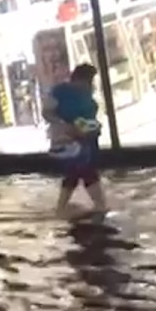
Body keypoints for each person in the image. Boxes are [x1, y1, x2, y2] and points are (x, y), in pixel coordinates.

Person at [43, 63, 107, 214]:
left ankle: (62, 208)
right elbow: (47, 113)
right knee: (84, 170)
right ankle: (100, 205)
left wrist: (93, 128)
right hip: (67, 140)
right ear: (78, 79)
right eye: (88, 80)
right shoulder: (60, 91)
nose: (90, 84)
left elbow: (90, 118)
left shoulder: (87, 94)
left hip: (86, 139)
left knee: (76, 172)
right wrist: (64, 125)